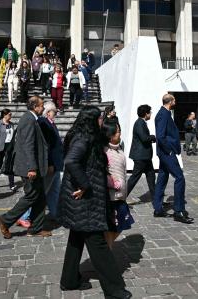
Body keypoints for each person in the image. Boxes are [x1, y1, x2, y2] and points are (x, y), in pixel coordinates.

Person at [57, 105, 131, 298]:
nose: (101, 121)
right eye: (99, 118)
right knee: (98, 244)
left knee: (77, 238)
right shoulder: (83, 138)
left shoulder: (84, 135)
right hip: (85, 199)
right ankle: (115, 290)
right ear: (91, 120)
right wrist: (86, 185)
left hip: (81, 198)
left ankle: (69, 280)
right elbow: (72, 161)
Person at [0, 96, 51, 238]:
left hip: (34, 166)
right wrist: (31, 167)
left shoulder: (32, 119)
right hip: (28, 167)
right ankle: (5, 220)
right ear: (34, 107)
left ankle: (35, 228)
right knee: (32, 195)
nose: (43, 107)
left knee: (40, 198)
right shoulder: (28, 119)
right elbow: (27, 145)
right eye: (41, 105)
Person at [153, 94, 193, 224]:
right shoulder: (163, 114)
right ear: (170, 101)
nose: (175, 101)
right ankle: (178, 211)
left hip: (165, 152)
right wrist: (169, 150)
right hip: (167, 152)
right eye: (174, 99)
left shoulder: (165, 113)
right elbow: (160, 135)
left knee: (162, 178)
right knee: (180, 177)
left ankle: (158, 208)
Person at [103, 122, 135, 249]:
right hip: (111, 197)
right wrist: (112, 183)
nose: (119, 133)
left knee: (121, 225)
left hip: (120, 195)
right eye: (117, 132)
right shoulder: (105, 151)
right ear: (110, 136)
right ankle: (107, 251)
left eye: (119, 130)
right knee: (113, 226)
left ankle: (107, 249)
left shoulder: (119, 149)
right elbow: (102, 173)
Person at [38, 102, 64, 220]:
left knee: (55, 191)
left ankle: (55, 214)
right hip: (51, 165)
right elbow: (46, 146)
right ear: (48, 113)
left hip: (56, 164)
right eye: (54, 111)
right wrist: (49, 163)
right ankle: (26, 216)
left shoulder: (51, 124)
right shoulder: (44, 124)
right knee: (42, 192)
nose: (56, 113)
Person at [127, 104, 156, 200]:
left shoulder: (141, 122)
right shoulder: (139, 123)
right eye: (150, 112)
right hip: (141, 156)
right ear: (146, 113)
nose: (151, 114)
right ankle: (121, 198)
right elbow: (144, 138)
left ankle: (156, 198)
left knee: (151, 176)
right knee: (134, 178)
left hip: (145, 156)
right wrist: (152, 137)